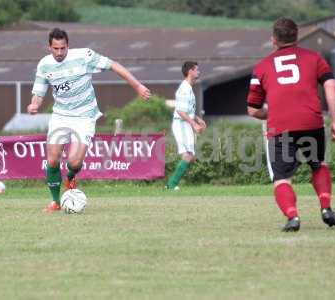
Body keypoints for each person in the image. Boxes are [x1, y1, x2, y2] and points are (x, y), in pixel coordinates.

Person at [27, 28, 151, 212]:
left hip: (85, 115)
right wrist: (34, 104)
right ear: (49, 47)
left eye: (63, 48)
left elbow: (114, 65)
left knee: (74, 163)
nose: (60, 53)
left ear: (68, 45)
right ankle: (55, 202)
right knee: (52, 160)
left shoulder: (85, 56)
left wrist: (138, 86)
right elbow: (38, 92)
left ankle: (70, 178)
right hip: (60, 116)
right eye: (56, 49)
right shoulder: (44, 65)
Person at [247, 18, 335, 231]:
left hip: (280, 127)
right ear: (296, 36)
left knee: (282, 179)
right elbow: (332, 86)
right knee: (319, 165)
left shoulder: (261, 67)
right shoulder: (315, 58)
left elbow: (252, 109)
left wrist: (273, 114)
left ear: (273, 40)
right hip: (312, 122)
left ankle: (293, 217)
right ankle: (326, 208)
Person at [166, 61, 206, 190]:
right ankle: (171, 185)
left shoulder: (188, 88)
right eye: (196, 70)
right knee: (188, 154)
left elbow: (188, 110)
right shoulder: (184, 88)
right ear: (190, 72)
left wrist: (198, 119)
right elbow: (180, 111)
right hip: (181, 123)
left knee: (190, 156)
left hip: (185, 123)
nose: (198, 72)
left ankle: (171, 184)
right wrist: (193, 124)